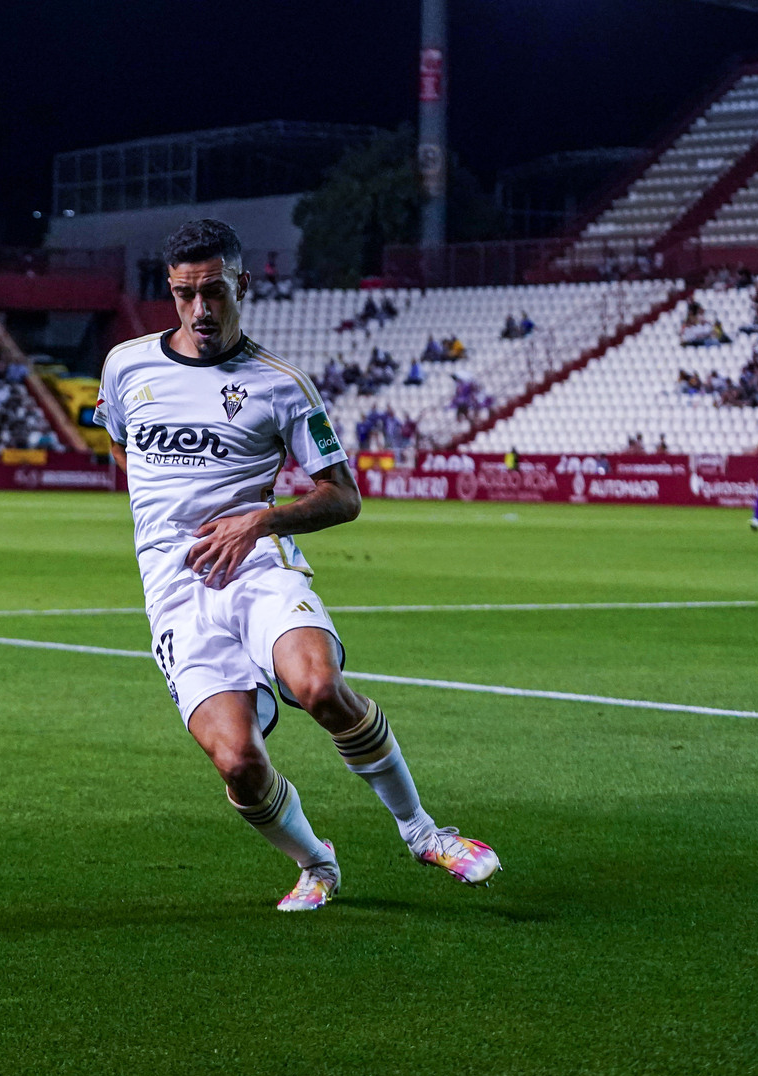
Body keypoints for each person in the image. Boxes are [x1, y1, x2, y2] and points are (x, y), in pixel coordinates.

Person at [96, 219, 498, 913]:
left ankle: (425, 831)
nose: (200, 311)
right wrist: (160, 530)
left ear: (242, 285)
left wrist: (261, 518)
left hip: (259, 567)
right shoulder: (126, 365)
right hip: (176, 593)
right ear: (170, 291)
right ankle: (317, 863)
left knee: (316, 685)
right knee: (238, 763)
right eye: (185, 295)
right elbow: (120, 444)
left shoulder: (282, 385)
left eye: (214, 292)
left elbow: (344, 497)